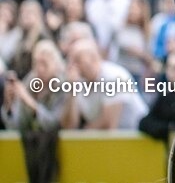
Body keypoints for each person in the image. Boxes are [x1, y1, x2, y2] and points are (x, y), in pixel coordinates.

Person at [2, 40, 67, 183]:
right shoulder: (30, 82)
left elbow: (54, 123)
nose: (40, 69)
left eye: (44, 63)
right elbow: (15, 126)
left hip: (57, 151)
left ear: (56, 63)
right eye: (36, 63)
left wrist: (29, 102)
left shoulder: (64, 85)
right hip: (31, 150)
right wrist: (9, 104)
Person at [61, 38, 148, 130]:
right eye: (70, 61)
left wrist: (82, 134)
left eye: (77, 60)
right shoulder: (78, 81)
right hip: (108, 137)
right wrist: (72, 93)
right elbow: (68, 126)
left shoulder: (114, 76)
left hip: (135, 133)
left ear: (94, 58)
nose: (72, 66)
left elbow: (108, 125)